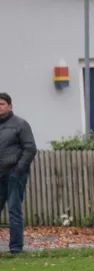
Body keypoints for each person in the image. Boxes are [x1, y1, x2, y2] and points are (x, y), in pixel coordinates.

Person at [0, 93, 37, 254]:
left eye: (1, 104)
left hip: (14, 175)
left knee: (14, 211)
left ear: (10, 106)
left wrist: (18, 169)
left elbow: (30, 149)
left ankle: (16, 248)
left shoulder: (20, 124)